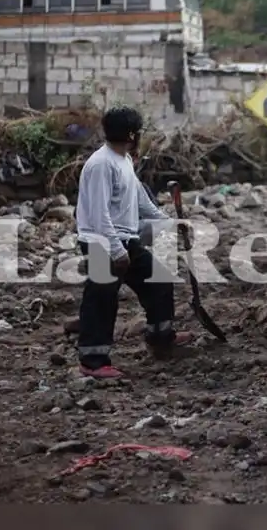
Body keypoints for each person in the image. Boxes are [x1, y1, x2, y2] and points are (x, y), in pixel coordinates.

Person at [74, 106, 187, 378]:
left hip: (125, 239)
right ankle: (93, 361)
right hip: (103, 242)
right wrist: (115, 249)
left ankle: (160, 336)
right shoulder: (102, 164)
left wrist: (169, 223)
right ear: (132, 134)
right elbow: (98, 214)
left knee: (158, 279)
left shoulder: (123, 160)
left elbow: (140, 201)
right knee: (101, 299)